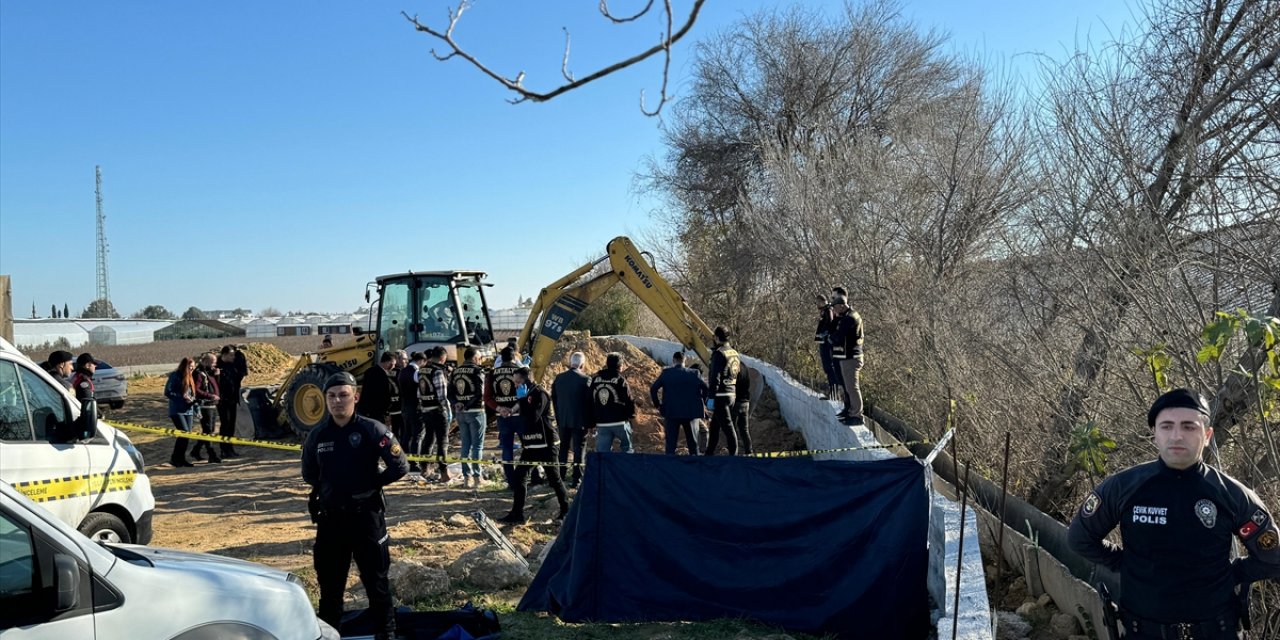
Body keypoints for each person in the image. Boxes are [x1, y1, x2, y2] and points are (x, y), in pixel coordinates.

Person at [1068, 388, 1280, 638]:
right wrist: (1124, 563)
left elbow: (1272, 557)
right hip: (1143, 632)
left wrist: (1229, 575)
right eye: (1167, 426)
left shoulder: (1232, 495)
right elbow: (1080, 539)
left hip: (1215, 631)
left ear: (1208, 435)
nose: (1177, 436)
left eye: (1189, 427)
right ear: (1154, 435)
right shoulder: (1122, 488)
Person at [301, 372, 409, 640]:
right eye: (332, 396)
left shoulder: (372, 429)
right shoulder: (317, 435)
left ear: (355, 397)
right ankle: (328, 635)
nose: (338, 401)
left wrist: (373, 484)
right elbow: (309, 474)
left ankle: (387, 633)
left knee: (377, 583)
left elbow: (400, 465)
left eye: (343, 395)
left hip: (366, 519)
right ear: (325, 400)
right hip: (331, 521)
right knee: (330, 587)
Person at [498, 366, 570, 524]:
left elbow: (533, 417)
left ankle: (566, 511)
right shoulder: (526, 394)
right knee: (519, 477)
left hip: (546, 444)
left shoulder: (539, 393)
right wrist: (514, 408)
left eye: (517, 382)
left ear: (527, 381)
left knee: (554, 479)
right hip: (531, 444)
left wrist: (523, 400)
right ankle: (517, 514)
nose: (515, 385)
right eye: (514, 382)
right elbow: (523, 412)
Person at [649, 351, 709, 455]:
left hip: (671, 412)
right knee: (693, 445)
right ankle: (695, 467)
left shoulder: (666, 373)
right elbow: (706, 389)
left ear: (673, 361)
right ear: (684, 360)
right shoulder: (694, 373)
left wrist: (658, 405)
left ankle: (670, 467)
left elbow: (653, 389)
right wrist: (702, 402)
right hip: (691, 413)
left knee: (671, 446)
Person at [450, 346, 488, 488]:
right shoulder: (478, 371)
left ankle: (467, 478)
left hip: (460, 413)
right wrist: (467, 405)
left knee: (465, 445)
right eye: (479, 357)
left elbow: (450, 392)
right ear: (474, 357)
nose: (480, 360)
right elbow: (480, 392)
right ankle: (477, 478)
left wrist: (457, 404)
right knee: (477, 446)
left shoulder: (455, 371)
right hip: (476, 411)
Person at [552, 351, 592, 486]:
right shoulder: (586, 380)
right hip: (580, 422)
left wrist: (558, 417)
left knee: (563, 448)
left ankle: (560, 477)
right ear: (582, 364)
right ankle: (577, 479)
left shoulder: (559, 378)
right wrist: (591, 423)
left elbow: (554, 399)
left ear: (571, 363)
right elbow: (590, 403)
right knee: (579, 449)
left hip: (563, 420)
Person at [487, 346, 524, 488]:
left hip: (501, 416)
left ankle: (511, 482)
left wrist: (500, 409)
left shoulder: (493, 373)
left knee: (507, 449)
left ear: (501, 358)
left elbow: (488, 397)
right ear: (514, 357)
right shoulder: (520, 372)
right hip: (519, 414)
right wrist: (512, 409)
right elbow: (526, 395)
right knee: (527, 447)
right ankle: (528, 477)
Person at [588, 352, 636, 453]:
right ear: (620, 366)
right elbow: (629, 400)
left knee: (602, 453)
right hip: (620, 421)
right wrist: (631, 416)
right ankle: (626, 468)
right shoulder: (620, 380)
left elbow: (590, 401)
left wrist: (591, 422)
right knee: (627, 449)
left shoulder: (595, 379)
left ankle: (604, 469)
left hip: (602, 423)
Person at [704, 327, 741, 456]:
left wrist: (711, 396)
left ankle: (734, 456)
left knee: (728, 427)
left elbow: (715, 376)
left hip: (721, 395)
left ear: (717, 337)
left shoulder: (719, 353)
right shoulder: (734, 352)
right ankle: (708, 454)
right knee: (714, 426)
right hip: (731, 394)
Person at [418, 347, 452, 483]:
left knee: (428, 439)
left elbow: (418, 393)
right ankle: (444, 472)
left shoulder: (422, 370)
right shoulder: (437, 372)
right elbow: (442, 395)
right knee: (442, 441)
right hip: (437, 410)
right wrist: (448, 411)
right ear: (443, 357)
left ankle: (425, 469)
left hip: (425, 409)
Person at [829, 294, 865, 424]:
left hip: (851, 357)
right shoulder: (849, 315)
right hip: (848, 356)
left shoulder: (849, 318)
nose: (834, 310)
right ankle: (850, 411)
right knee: (848, 387)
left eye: (836, 308)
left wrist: (831, 338)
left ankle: (857, 415)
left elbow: (838, 336)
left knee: (852, 387)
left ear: (842, 305)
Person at [164, 357, 198, 467]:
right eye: (190, 367)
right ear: (184, 366)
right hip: (177, 410)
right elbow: (168, 392)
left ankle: (181, 458)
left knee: (187, 435)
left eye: (193, 368)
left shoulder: (191, 378)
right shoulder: (175, 375)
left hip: (189, 410)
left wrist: (196, 408)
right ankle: (175, 458)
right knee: (183, 432)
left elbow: (193, 395)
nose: (192, 370)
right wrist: (181, 397)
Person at [216, 345, 249, 458]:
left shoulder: (233, 365)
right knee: (225, 424)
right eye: (231, 355)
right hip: (222, 400)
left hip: (233, 399)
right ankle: (224, 449)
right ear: (224, 355)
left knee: (231, 425)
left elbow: (242, 370)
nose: (233, 357)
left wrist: (238, 351)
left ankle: (230, 448)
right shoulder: (217, 366)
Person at [190, 353, 222, 463]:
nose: (215, 365)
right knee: (208, 430)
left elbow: (214, 386)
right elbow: (197, 390)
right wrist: (211, 396)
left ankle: (196, 450)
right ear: (205, 361)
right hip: (205, 406)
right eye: (213, 362)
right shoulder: (199, 373)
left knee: (209, 430)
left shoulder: (209, 373)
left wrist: (217, 376)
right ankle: (212, 454)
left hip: (212, 405)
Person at [397, 351, 425, 474]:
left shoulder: (402, 371)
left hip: (404, 406)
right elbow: (420, 390)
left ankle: (404, 461)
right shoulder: (416, 372)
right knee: (417, 435)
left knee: (406, 434)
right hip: (415, 406)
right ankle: (415, 464)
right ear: (421, 361)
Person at [358, 352, 397, 425]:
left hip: (364, 410)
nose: (394, 367)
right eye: (393, 364)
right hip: (377, 412)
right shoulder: (383, 376)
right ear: (389, 363)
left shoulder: (368, 371)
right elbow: (385, 395)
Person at [733, 361, 753, 455]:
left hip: (735, 402)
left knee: (732, 429)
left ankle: (733, 453)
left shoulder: (733, 368)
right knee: (744, 430)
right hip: (745, 402)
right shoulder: (745, 366)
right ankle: (749, 452)